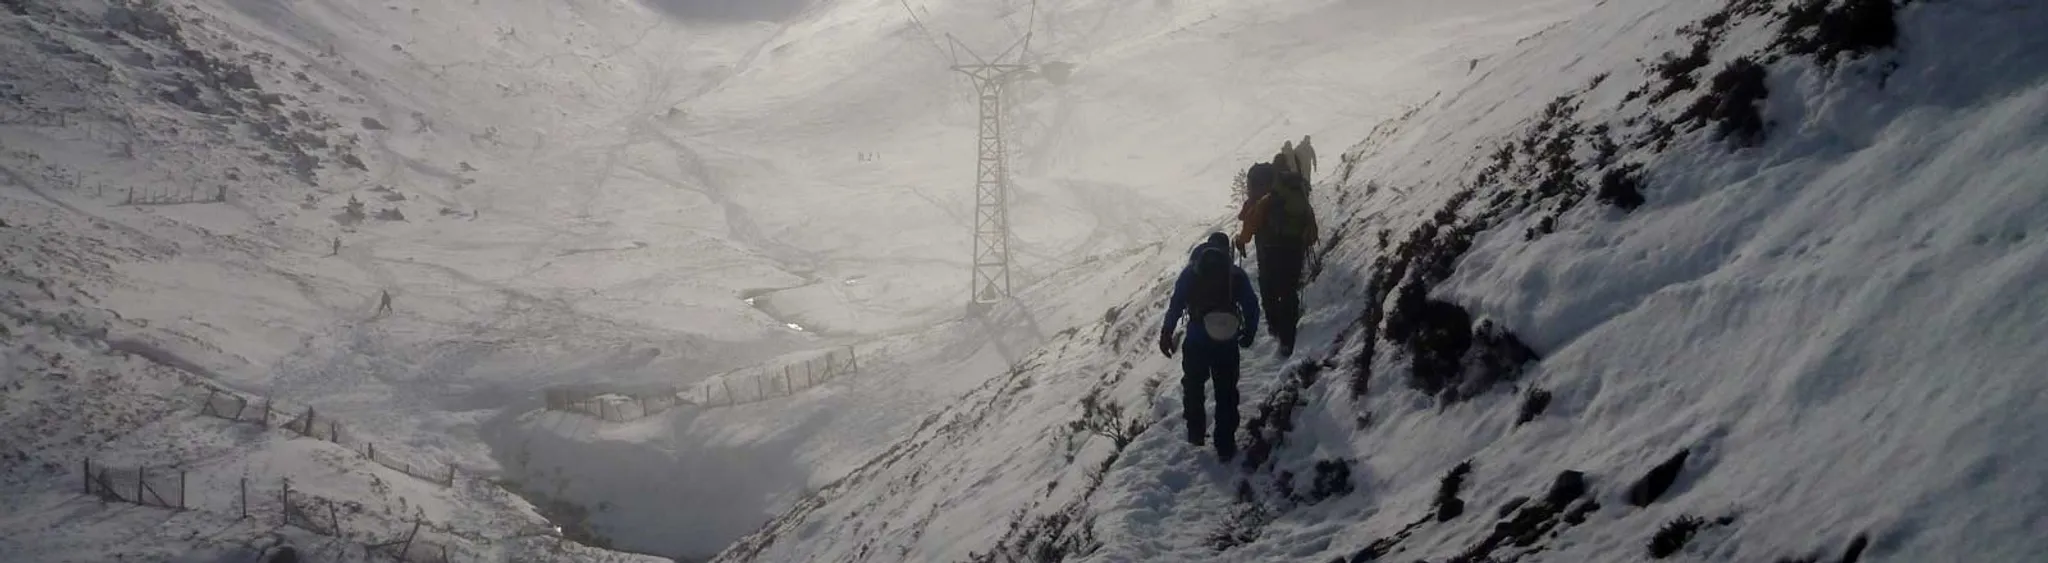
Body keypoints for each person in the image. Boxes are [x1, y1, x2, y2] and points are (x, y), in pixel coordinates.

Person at [1160, 233, 1262, 460]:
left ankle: (1196, 432)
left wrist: (1167, 332)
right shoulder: (1235, 274)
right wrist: (1249, 333)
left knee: (1193, 386)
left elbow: (1176, 304)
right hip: (1226, 340)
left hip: (1196, 338)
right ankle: (1225, 444)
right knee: (1226, 391)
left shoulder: (1191, 272)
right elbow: (1252, 307)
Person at [1234, 172, 1318, 357]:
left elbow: (1251, 224)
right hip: (1294, 253)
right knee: (1288, 291)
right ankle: (1288, 336)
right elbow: (1312, 236)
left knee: (1268, 288)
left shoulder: (1268, 200)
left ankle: (1275, 326)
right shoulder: (1302, 202)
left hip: (1269, 252)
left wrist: (1241, 240)